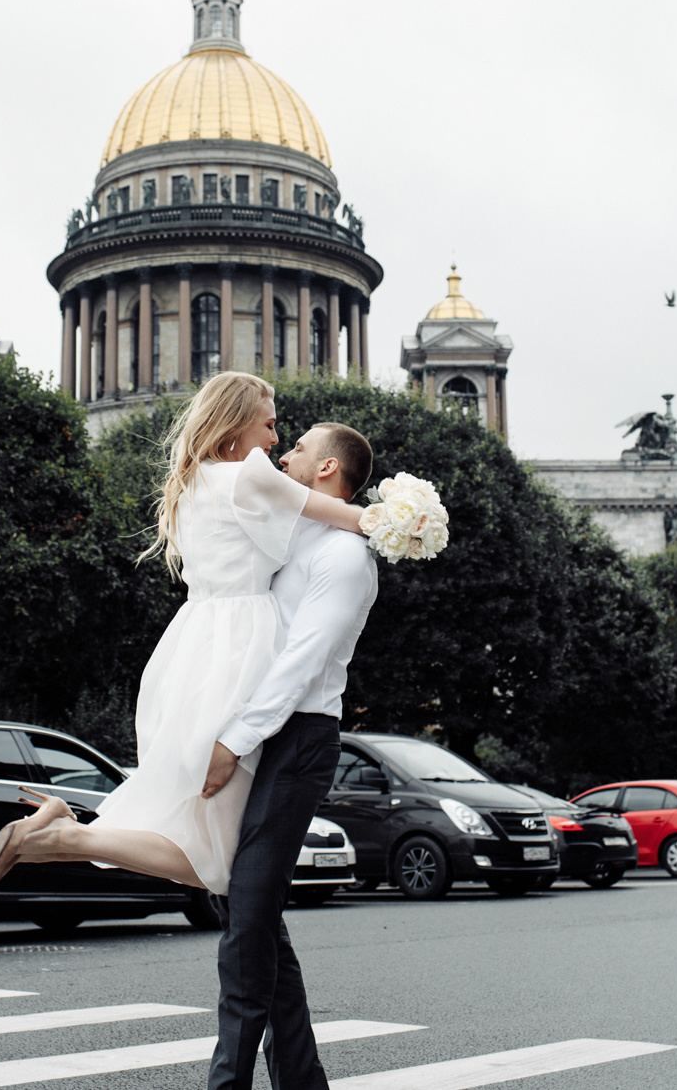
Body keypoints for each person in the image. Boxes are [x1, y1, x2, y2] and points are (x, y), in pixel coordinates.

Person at [0, 371, 369, 893]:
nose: (277, 440)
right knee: (219, 858)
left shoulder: (190, 480)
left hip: (193, 644)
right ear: (239, 422)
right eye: (271, 424)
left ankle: (71, 831)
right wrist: (404, 519)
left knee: (197, 828)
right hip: (241, 644)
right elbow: (346, 517)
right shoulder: (253, 475)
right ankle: (65, 838)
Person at [202, 420, 379, 1090]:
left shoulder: (346, 557)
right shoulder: (298, 527)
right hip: (269, 731)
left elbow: (301, 662)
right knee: (254, 915)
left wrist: (234, 739)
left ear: (328, 466)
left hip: (298, 738)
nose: (285, 451)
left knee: (247, 920)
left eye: (299, 446)